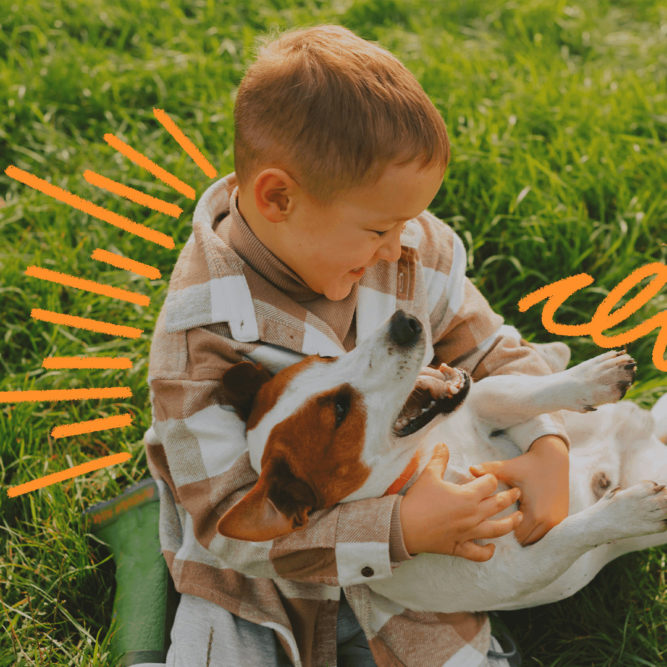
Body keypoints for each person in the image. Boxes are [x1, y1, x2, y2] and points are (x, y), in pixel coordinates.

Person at [144, 24, 570, 667]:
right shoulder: (200, 337)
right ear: (278, 196)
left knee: (436, 642)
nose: (400, 244)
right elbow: (230, 523)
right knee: (224, 647)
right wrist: (398, 529)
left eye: (408, 222)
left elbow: (486, 345)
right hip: (266, 578)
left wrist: (547, 440)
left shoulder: (401, 247)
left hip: (422, 536)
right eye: (379, 226)